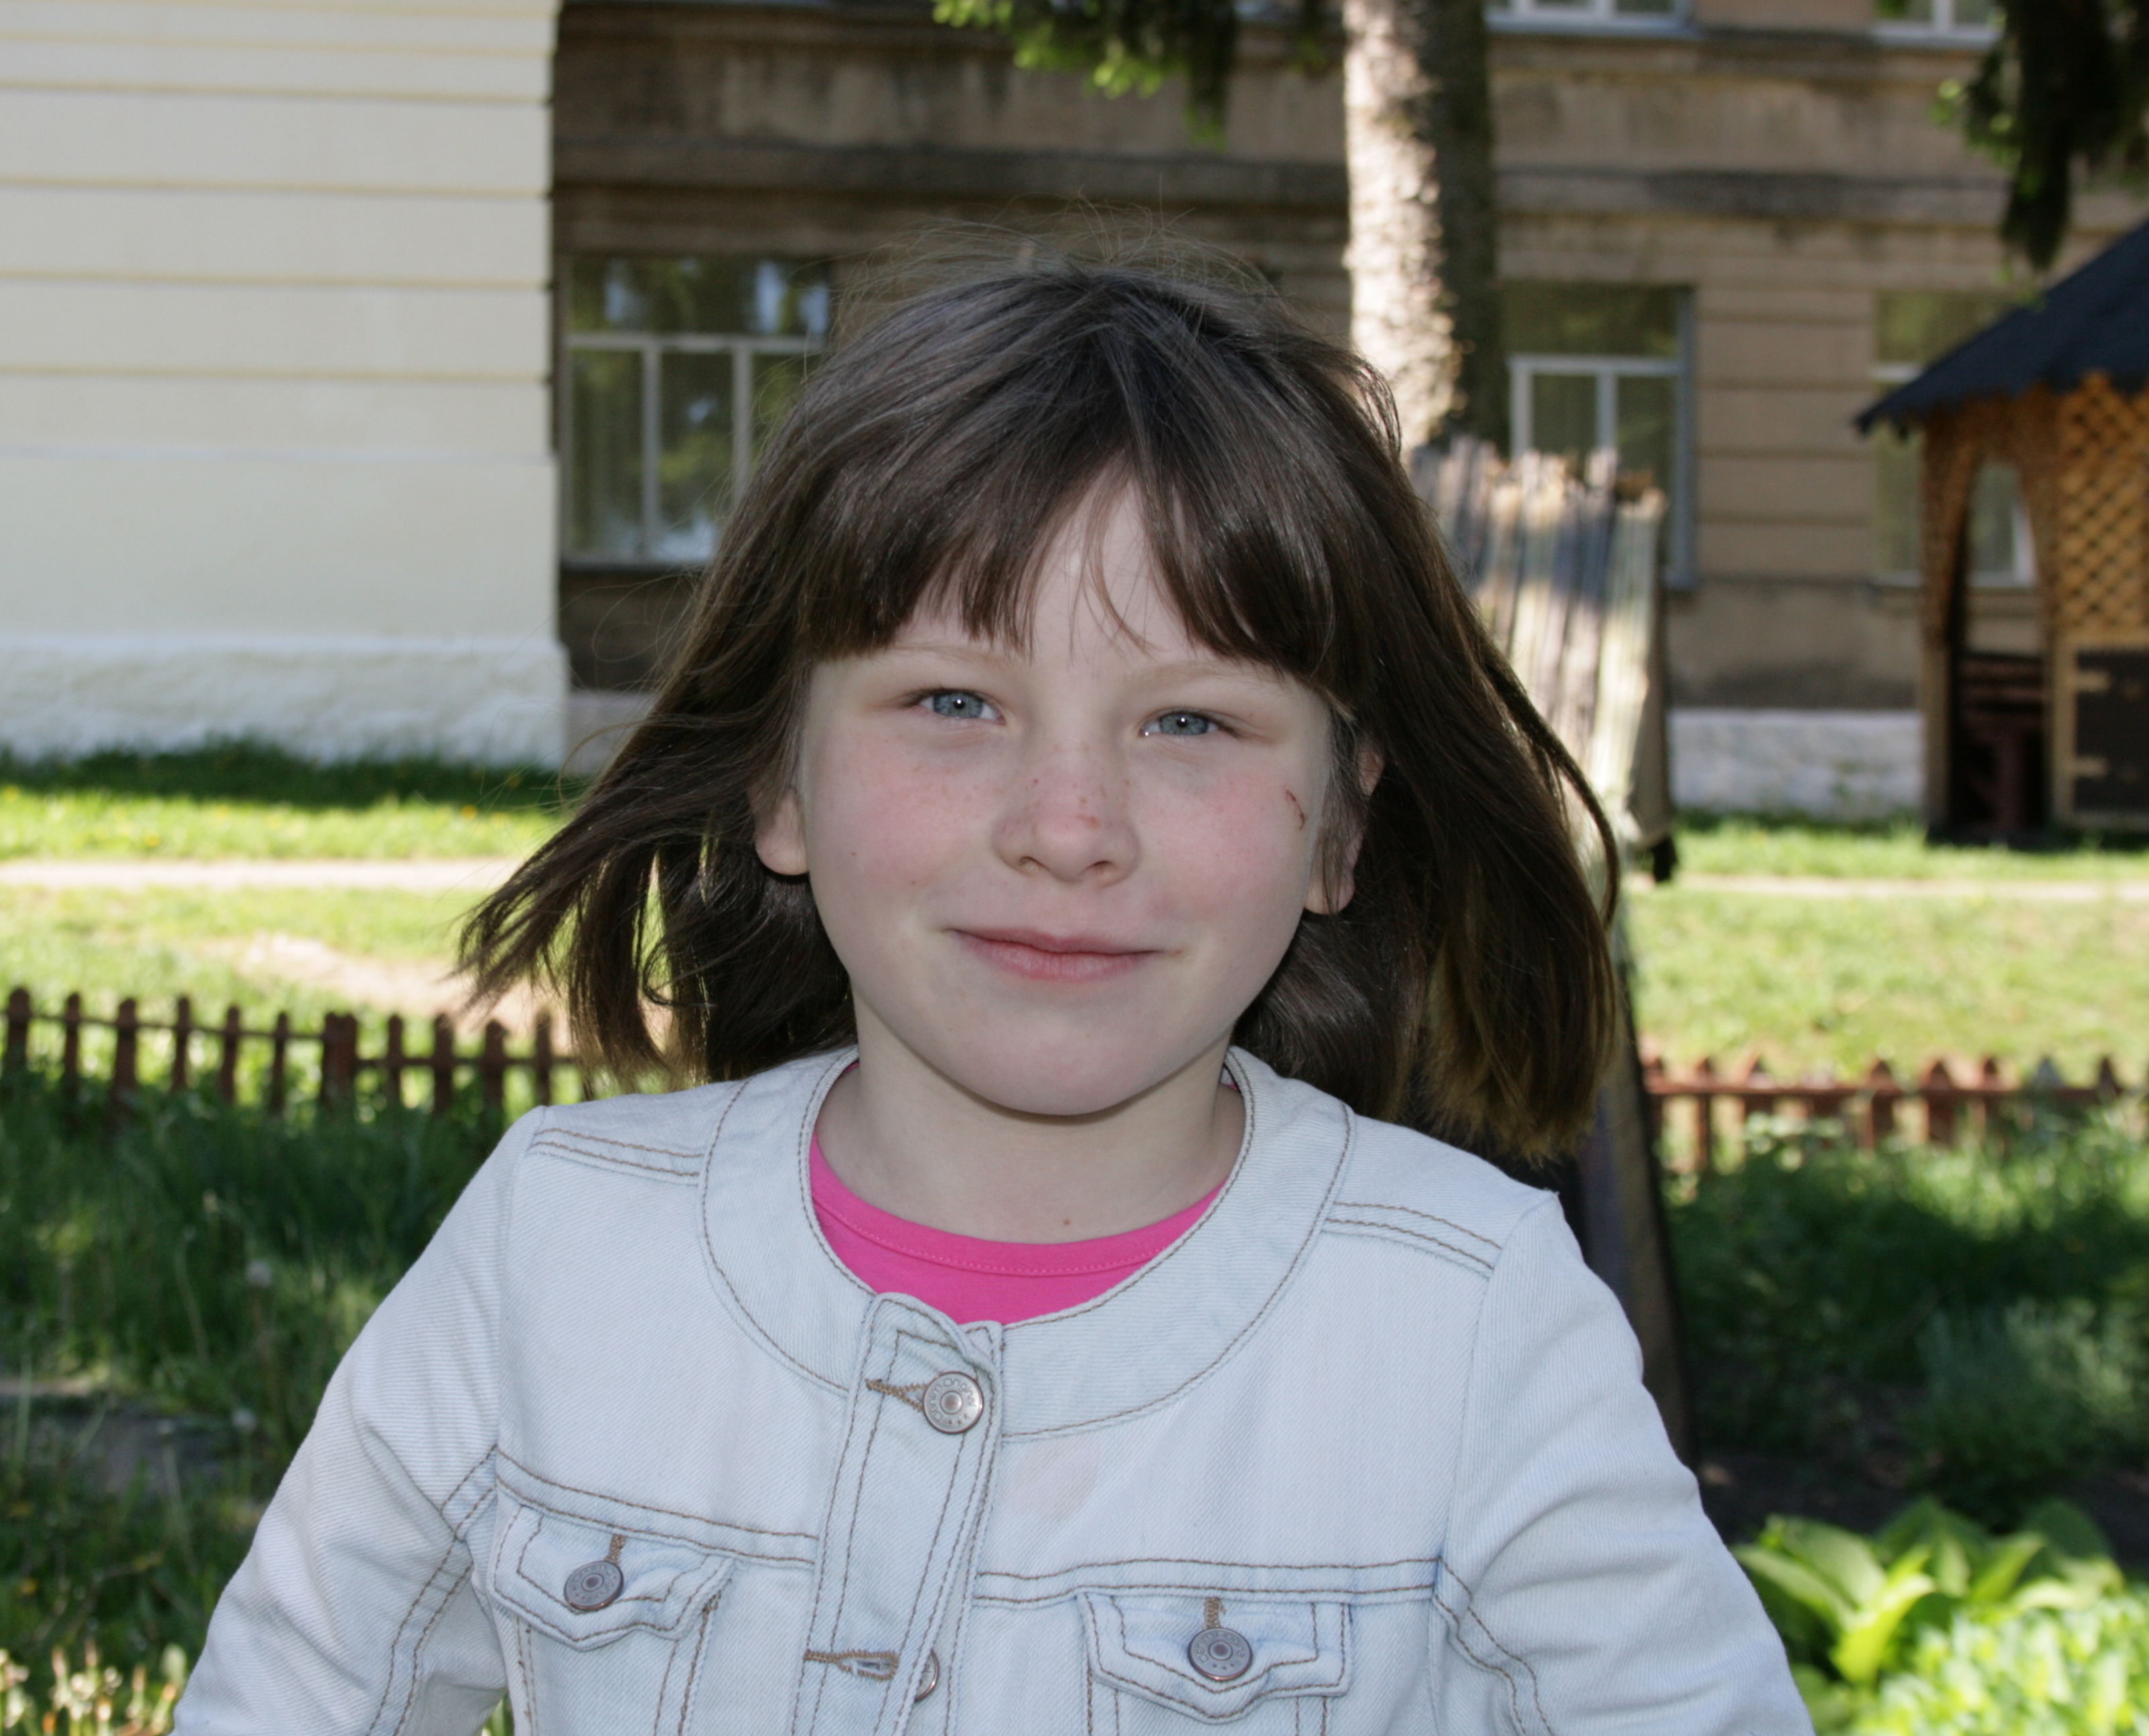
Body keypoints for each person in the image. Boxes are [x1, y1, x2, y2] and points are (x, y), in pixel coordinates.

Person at [175, 248, 1809, 1735]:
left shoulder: (1471, 1320)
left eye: (1191, 723)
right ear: (782, 781)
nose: (1068, 829)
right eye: (955, 702)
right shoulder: (558, 1246)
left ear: (1340, 825)